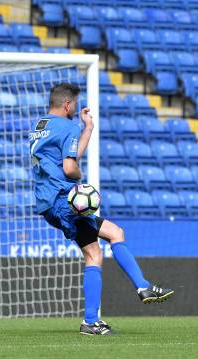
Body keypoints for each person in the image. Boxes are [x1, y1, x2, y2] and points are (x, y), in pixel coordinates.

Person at [29, 83, 174, 336]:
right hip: (64, 200)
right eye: (75, 103)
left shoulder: (41, 126)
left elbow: (70, 152)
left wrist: (88, 128)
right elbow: (69, 167)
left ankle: (133, 293)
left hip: (49, 202)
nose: (75, 107)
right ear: (67, 104)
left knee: (109, 239)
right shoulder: (67, 126)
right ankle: (102, 314)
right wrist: (79, 175)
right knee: (100, 249)